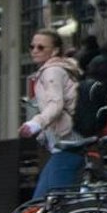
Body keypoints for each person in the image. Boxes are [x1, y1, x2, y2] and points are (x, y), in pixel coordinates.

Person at [20, 29, 85, 199]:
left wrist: (35, 124)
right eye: (32, 46)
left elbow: (56, 104)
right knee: (44, 204)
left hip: (67, 143)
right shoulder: (60, 69)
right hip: (66, 144)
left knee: (51, 206)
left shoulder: (52, 71)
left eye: (41, 47)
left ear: (55, 50)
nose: (34, 50)